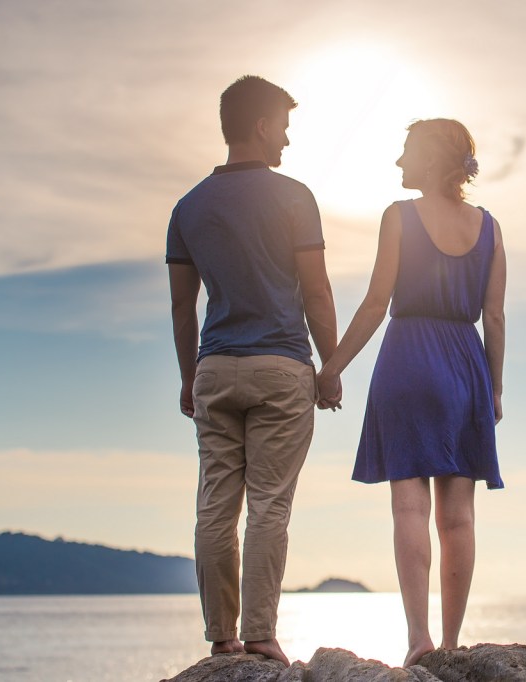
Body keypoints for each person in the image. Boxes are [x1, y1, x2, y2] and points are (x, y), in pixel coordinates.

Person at [317, 118, 506, 667]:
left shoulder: (399, 217)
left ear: (429, 159)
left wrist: (332, 368)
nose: (399, 164)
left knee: (408, 508)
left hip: (406, 357)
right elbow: (493, 315)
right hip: (464, 362)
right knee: (459, 517)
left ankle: (417, 637)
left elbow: (377, 302)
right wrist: (493, 387)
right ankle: (450, 644)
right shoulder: (490, 228)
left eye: (406, 153)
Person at [166, 75, 338, 666]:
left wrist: (189, 376)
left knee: (216, 503)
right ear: (262, 125)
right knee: (270, 504)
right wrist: (332, 365)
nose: (287, 141)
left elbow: (181, 306)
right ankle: (261, 634)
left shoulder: (188, 206)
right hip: (281, 366)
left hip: (215, 368)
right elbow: (316, 293)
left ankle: (222, 639)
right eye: (284, 127)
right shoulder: (294, 196)